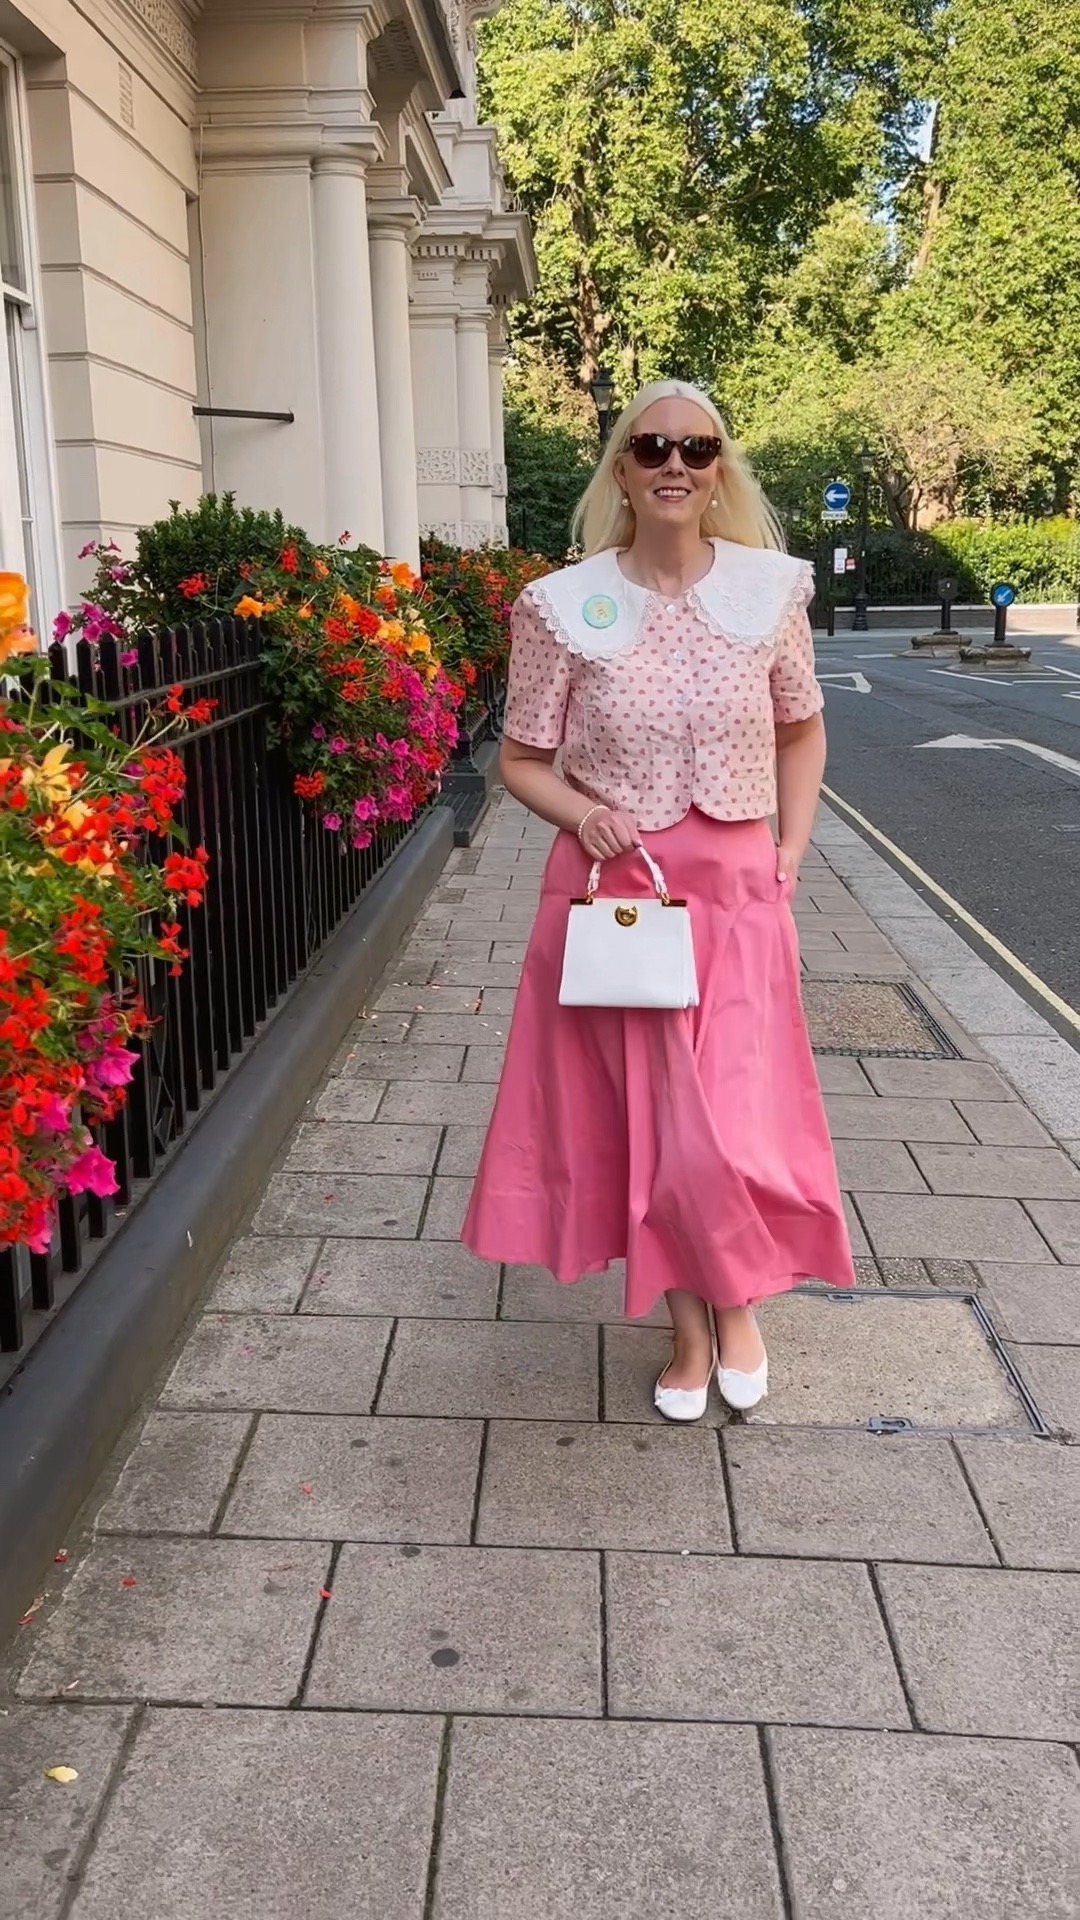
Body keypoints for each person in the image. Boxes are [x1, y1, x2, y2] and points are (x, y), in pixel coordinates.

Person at [461, 379, 855, 1421]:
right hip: (618, 899)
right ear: (623, 471)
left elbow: (802, 727)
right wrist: (578, 812)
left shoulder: (770, 593)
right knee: (656, 1125)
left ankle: (739, 1306)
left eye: (696, 447)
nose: (674, 463)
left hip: (735, 887)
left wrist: (793, 849)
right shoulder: (563, 606)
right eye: (651, 448)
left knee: (733, 1119)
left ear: (720, 466)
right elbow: (521, 758)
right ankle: (695, 1325)